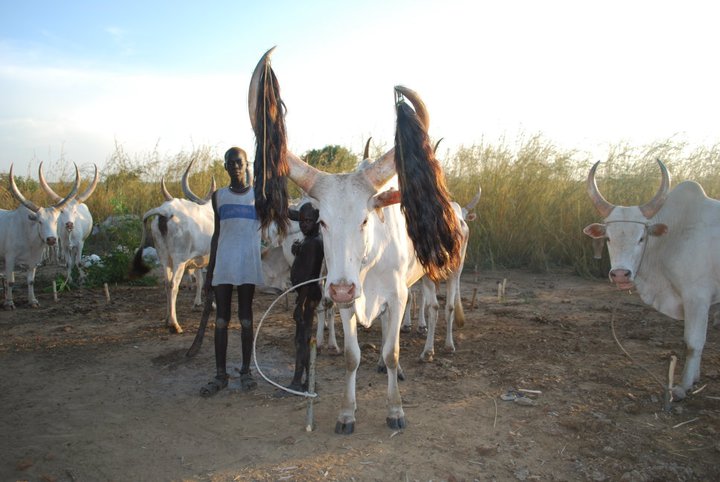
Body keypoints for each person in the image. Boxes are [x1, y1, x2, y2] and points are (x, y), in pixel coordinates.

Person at [200, 147, 263, 397]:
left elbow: (280, 214)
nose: (235, 166)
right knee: (221, 320)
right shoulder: (219, 197)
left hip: (247, 264)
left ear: (247, 165)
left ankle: (246, 372)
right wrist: (209, 272)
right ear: (225, 166)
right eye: (231, 162)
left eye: (240, 162)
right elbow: (217, 235)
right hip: (224, 265)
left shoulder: (259, 196)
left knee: (246, 318)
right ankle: (220, 374)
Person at [286, 202, 324, 391]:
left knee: (302, 339)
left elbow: (308, 278)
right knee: (303, 338)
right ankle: (308, 380)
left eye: (308, 221)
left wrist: (300, 305)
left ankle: (299, 382)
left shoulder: (313, 243)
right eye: (301, 221)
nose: (304, 225)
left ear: (316, 221)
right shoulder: (310, 241)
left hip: (307, 297)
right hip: (306, 296)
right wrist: (297, 251)